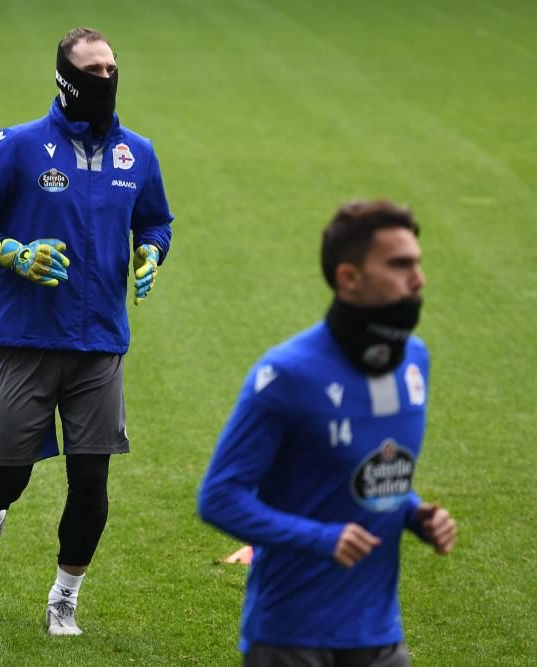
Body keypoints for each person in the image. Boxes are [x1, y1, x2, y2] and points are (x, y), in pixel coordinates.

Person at [0, 27, 174, 636]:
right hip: (27, 339)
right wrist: (10, 250)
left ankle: (63, 599)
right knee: (8, 475)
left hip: (101, 343)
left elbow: (156, 221)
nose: (108, 77)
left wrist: (152, 251)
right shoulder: (18, 147)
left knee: (92, 479)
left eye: (113, 66)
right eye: (96, 69)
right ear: (67, 80)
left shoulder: (138, 154)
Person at [197, 200, 457, 666]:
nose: (418, 280)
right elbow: (219, 497)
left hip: (379, 634)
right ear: (348, 278)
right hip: (291, 637)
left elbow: (370, 472)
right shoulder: (287, 374)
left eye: (417, 263)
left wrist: (416, 514)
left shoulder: (415, 361)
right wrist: (321, 539)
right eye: (399, 265)